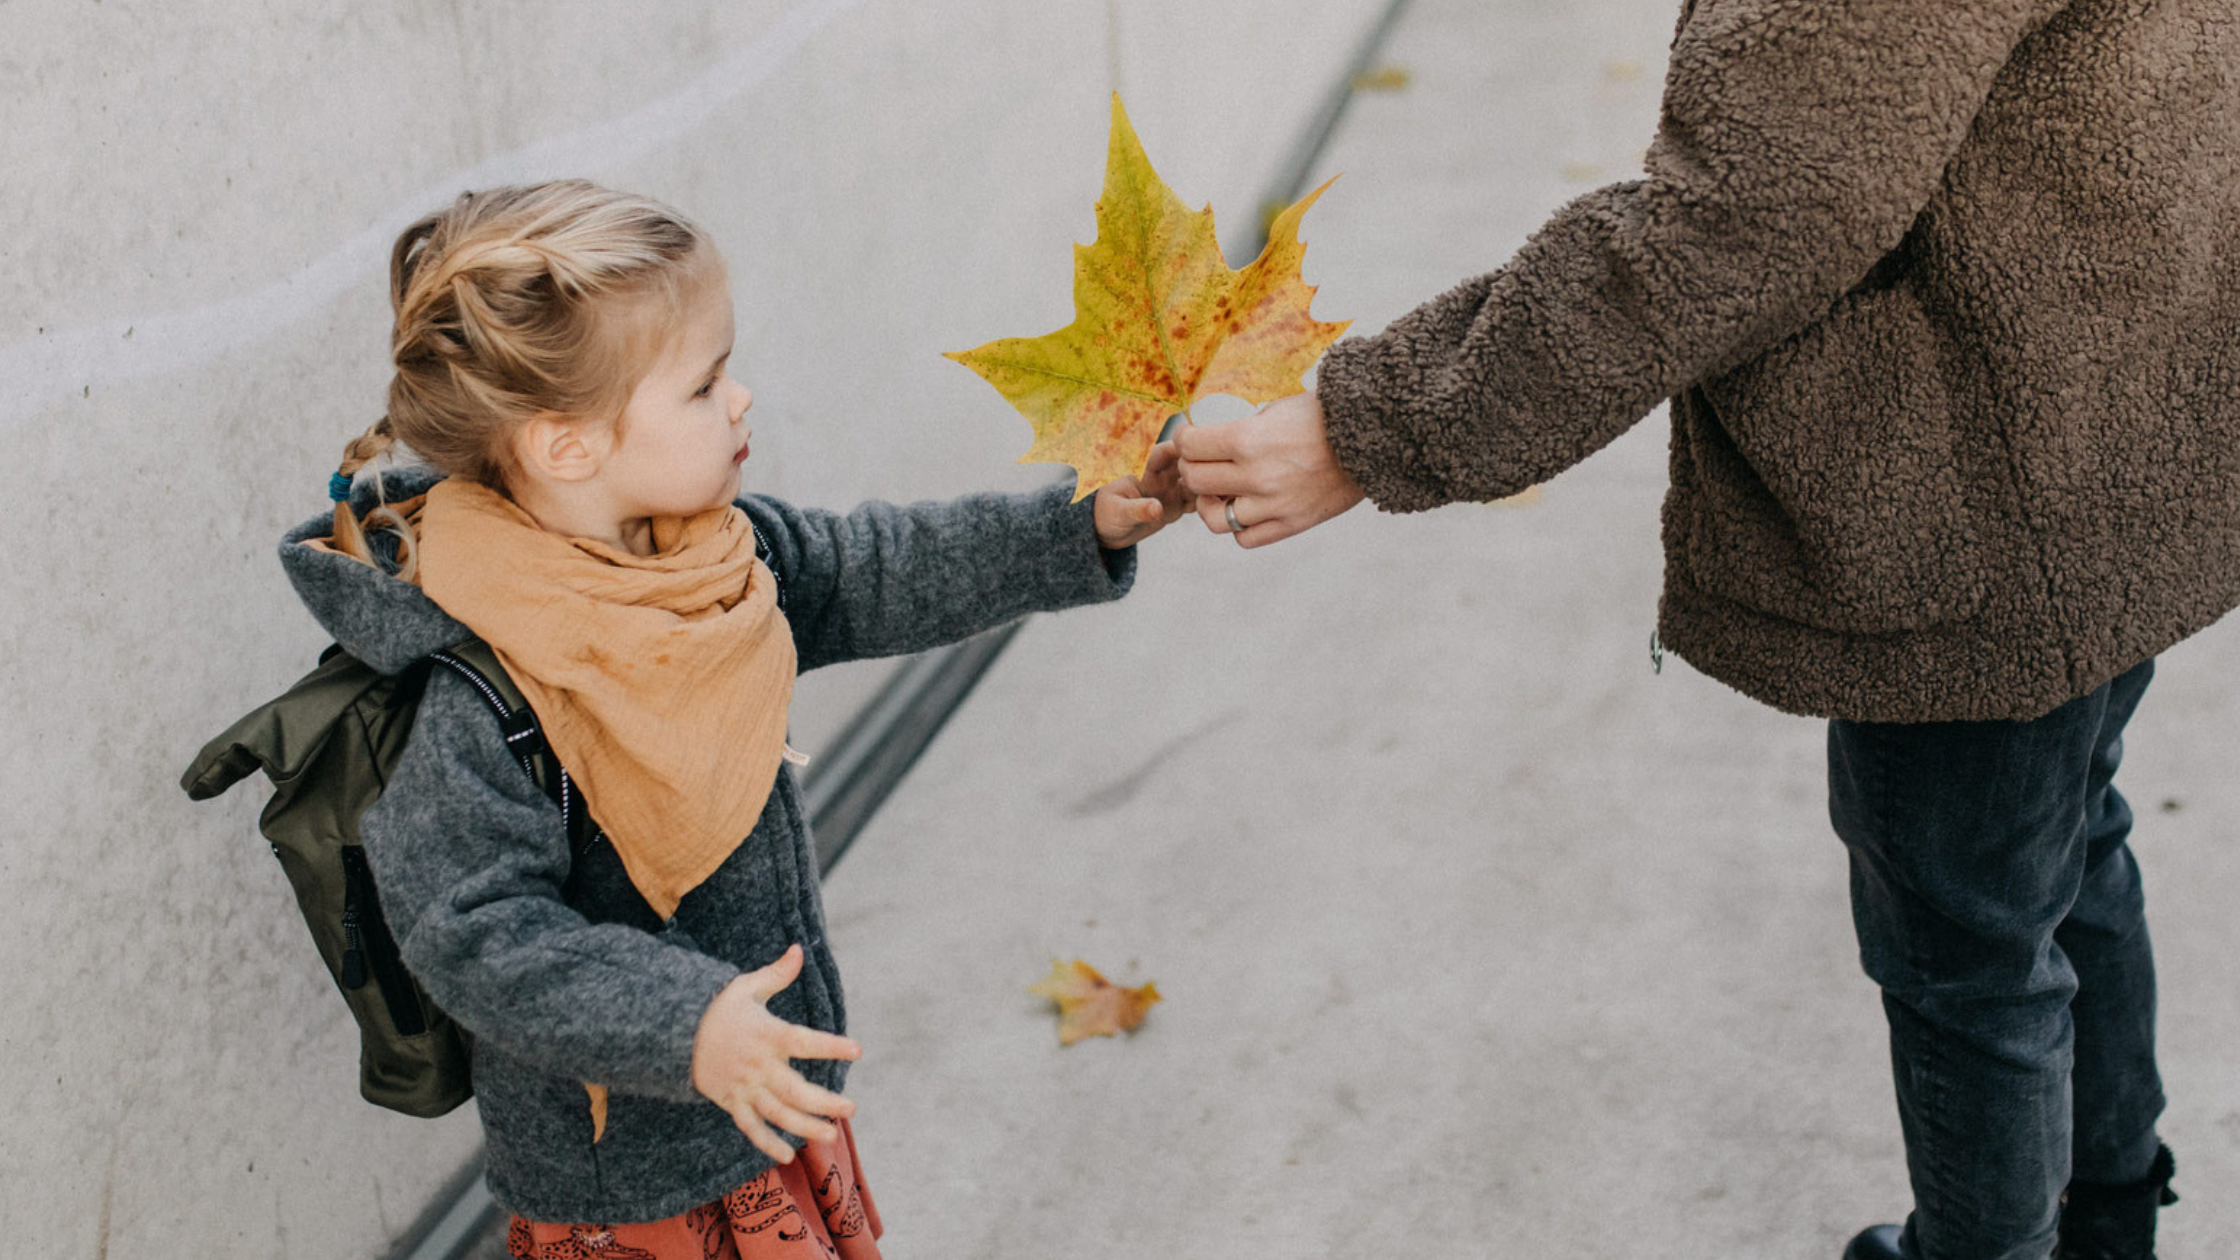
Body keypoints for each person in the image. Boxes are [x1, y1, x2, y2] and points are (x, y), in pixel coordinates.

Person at [1174, 2, 2234, 1258]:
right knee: (2061, 847)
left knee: (1971, 953)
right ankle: (2103, 1215)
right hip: (2112, 405)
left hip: (1992, 498)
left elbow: (1741, 219)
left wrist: (1375, 426)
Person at [284, 180, 1190, 1259]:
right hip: (631, 1177)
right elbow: (475, 934)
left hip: (759, 1096)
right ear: (565, 447)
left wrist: (1077, 526)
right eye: (705, 384)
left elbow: (871, 571)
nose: (743, 398)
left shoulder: (714, 552)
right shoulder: (484, 689)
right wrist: (686, 1024)